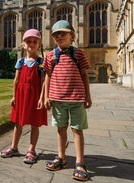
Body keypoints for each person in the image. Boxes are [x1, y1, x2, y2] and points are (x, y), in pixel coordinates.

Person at [42, 20, 92, 181]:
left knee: (77, 130)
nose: (59, 36)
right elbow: (47, 78)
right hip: (57, 99)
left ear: (72, 36)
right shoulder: (50, 56)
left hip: (77, 98)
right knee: (61, 129)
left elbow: (84, 75)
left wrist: (88, 96)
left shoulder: (79, 54)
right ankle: (61, 157)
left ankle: (79, 162)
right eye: (56, 34)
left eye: (63, 33)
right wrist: (45, 96)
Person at [0, 29, 47, 164]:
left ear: (39, 45)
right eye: (28, 41)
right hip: (21, 95)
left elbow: (43, 81)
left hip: (35, 96)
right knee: (18, 122)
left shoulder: (41, 62)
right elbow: (16, 80)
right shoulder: (20, 61)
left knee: (35, 123)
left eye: (34, 41)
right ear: (24, 45)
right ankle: (14, 147)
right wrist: (14, 96)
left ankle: (32, 149)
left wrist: (42, 97)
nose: (31, 44)